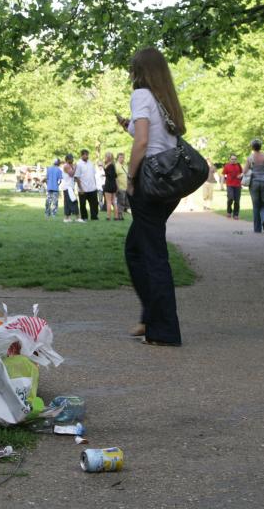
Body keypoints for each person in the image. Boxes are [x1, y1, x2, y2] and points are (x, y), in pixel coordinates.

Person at [115, 46, 185, 347]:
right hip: (169, 185)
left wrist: (130, 179)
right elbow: (154, 137)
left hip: (150, 184)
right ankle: (150, 317)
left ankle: (164, 330)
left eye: (133, 68)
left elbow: (143, 143)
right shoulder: (164, 98)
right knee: (136, 249)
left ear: (139, 71)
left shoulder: (141, 95)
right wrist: (129, 127)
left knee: (153, 256)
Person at [241, 139, 264, 233]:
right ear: (260, 147)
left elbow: (245, 171)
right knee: (263, 204)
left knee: (256, 205)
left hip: (254, 183)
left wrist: (240, 175)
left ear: (252, 147)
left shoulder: (250, 158)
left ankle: (257, 229)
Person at [74, 149, 99, 221]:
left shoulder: (91, 163)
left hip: (92, 188)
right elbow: (77, 177)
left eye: (87, 154)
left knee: (94, 204)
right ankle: (84, 217)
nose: (86, 156)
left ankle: (94, 216)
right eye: (85, 155)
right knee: (82, 204)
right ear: (81, 155)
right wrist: (80, 188)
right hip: (83, 188)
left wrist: (95, 186)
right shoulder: (79, 164)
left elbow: (93, 175)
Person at [222, 153, 243, 220]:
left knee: (237, 200)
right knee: (230, 198)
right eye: (232, 159)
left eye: (235, 159)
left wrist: (241, 175)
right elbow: (223, 175)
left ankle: (236, 214)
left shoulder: (239, 165)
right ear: (229, 159)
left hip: (238, 185)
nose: (233, 160)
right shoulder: (227, 166)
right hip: (229, 185)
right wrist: (221, 184)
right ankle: (229, 211)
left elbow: (243, 172)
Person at [61, 154, 80, 222]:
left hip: (68, 186)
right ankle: (78, 217)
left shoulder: (69, 166)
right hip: (68, 187)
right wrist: (75, 167)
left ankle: (67, 218)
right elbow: (71, 174)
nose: (72, 160)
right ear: (67, 159)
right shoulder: (66, 166)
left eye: (73, 158)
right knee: (74, 201)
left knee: (67, 203)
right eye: (71, 159)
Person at [102, 152, 119, 221]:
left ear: (107, 157)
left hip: (108, 185)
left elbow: (109, 174)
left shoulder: (108, 165)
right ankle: (116, 217)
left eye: (105, 156)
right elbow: (115, 175)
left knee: (108, 202)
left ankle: (108, 217)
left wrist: (104, 169)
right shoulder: (113, 165)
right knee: (114, 202)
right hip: (114, 185)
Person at [115, 152, 128, 218]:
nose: (122, 159)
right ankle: (119, 215)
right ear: (117, 158)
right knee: (121, 202)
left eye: (123, 157)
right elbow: (115, 178)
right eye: (120, 157)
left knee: (125, 202)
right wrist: (117, 188)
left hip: (126, 187)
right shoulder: (116, 166)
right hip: (120, 187)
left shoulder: (125, 166)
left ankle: (121, 214)